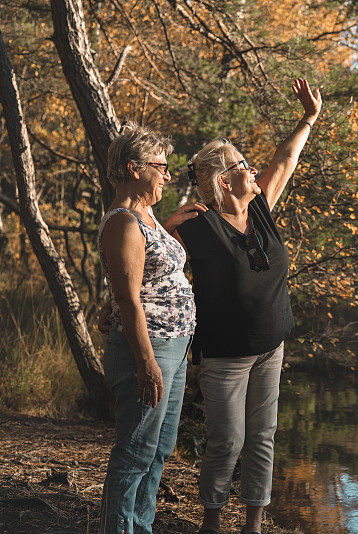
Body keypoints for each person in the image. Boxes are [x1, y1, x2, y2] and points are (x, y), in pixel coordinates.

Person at [173, 78, 322, 534]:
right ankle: (212, 523)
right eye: (242, 164)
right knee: (227, 441)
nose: (253, 169)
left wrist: (308, 118)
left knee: (262, 438)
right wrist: (162, 225)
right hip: (224, 356)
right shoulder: (198, 227)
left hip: (271, 346)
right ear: (223, 179)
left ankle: (254, 524)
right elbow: (145, 262)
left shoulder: (259, 209)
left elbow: (286, 158)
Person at [98, 123, 204, 534]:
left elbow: (144, 276)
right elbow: (127, 298)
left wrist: (171, 224)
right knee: (136, 450)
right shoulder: (124, 222)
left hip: (174, 345)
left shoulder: (147, 216)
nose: (167, 174)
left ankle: (139, 526)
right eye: (161, 166)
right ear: (134, 168)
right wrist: (146, 362)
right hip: (149, 348)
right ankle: (118, 529)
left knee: (159, 449)